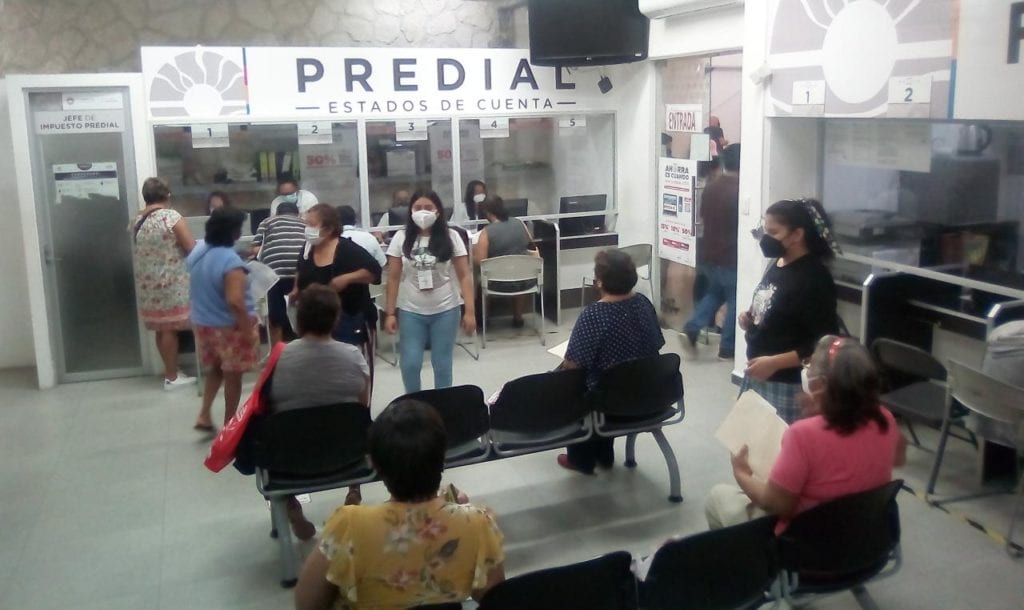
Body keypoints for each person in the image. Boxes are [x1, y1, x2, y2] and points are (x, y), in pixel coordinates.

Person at [294, 400, 505, 610]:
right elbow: (493, 600)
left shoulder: (348, 526)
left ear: (375, 464)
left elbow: (307, 604)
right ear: (442, 459)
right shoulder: (477, 522)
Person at [705, 336, 906, 531]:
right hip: (865, 533)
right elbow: (895, 458)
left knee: (717, 497)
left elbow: (776, 505)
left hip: (807, 540)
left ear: (822, 384)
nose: (806, 370)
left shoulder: (802, 435)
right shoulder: (885, 419)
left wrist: (741, 473)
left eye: (809, 365)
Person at [270, 284, 371, 538]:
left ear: (299, 319)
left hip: (291, 458)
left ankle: (290, 503)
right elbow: (362, 408)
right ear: (336, 319)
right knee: (356, 426)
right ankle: (354, 491)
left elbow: (270, 409)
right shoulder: (353, 356)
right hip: (346, 454)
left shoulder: (279, 358)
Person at [557, 249, 666, 474]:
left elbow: (573, 365)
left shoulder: (593, 315)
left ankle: (581, 459)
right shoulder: (643, 303)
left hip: (609, 403)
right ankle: (604, 454)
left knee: (574, 383)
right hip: (649, 393)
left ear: (600, 282)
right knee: (616, 376)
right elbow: (657, 343)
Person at [740, 198, 840, 424]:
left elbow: (823, 344)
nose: (766, 239)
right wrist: (750, 318)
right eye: (764, 231)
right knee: (746, 442)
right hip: (758, 373)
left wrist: (774, 363)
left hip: (786, 383)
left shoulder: (814, 279)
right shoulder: (778, 262)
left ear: (797, 235)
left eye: (773, 232)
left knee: (778, 445)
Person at [384, 189, 476, 393]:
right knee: (410, 364)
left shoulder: (452, 236)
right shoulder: (401, 237)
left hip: (446, 309)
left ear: (438, 211)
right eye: (418, 208)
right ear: (410, 211)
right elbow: (393, 277)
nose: (423, 212)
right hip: (411, 310)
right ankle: (414, 402)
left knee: (442, 364)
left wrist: (470, 311)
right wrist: (390, 313)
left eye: (428, 207)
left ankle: (441, 404)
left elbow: (464, 275)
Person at [293, 204, 382, 393]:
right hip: (316, 324)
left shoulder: (346, 249)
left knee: (354, 373)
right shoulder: (307, 249)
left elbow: (374, 271)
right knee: (322, 375)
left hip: (350, 317)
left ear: (328, 229)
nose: (307, 229)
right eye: (306, 224)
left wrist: (347, 278)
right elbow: (300, 271)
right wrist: (296, 290)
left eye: (312, 225)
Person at [187, 207, 260, 430]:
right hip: (229, 328)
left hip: (204, 324)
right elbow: (235, 301)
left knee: (216, 369)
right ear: (234, 232)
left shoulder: (200, 254)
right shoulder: (231, 262)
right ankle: (230, 426)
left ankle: (204, 414)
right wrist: (247, 331)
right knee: (233, 377)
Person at [131, 177, 197, 390]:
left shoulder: (138, 221)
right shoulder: (171, 217)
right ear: (167, 195)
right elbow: (190, 247)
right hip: (170, 282)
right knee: (170, 329)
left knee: (162, 329)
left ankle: (171, 370)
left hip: (149, 283)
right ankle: (172, 377)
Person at [683, 143, 740, 360]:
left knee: (715, 292)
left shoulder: (712, 187)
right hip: (731, 255)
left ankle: (693, 326)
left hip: (709, 252)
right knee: (735, 299)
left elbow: (704, 216)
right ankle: (728, 347)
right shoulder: (741, 190)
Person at [474, 196, 538, 328]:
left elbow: (480, 262)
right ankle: (518, 318)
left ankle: (483, 320)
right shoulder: (520, 223)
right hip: (525, 282)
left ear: (487, 212)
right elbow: (531, 246)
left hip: (497, 285)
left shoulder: (486, 233)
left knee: (481, 279)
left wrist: (473, 253)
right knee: (519, 271)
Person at [252, 200, 306, 344]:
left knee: (275, 314)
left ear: (276, 213)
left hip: (273, 273)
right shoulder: (304, 223)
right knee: (304, 310)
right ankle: (305, 344)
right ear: (297, 213)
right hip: (299, 271)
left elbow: (256, 249)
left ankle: (277, 349)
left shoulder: (267, 222)